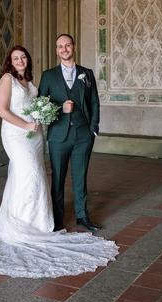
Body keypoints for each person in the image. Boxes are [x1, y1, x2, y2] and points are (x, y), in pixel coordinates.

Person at [0, 45, 118, 278]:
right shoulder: (7, 80)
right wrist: (26, 125)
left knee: (37, 177)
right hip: (17, 135)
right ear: (10, 62)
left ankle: (39, 225)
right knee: (28, 174)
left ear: (27, 60)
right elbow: (1, 110)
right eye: (16, 58)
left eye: (23, 57)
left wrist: (48, 116)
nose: (20, 60)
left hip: (35, 137)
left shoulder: (31, 84)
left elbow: (44, 107)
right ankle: (20, 227)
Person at [38, 34, 101, 232]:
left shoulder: (87, 74)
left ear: (73, 47)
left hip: (83, 135)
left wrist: (93, 129)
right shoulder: (48, 76)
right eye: (60, 46)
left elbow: (94, 102)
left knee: (80, 176)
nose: (64, 49)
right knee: (58, 178)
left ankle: (82, 215)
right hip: (58, 136)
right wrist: (59, 108)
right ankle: (57, 219)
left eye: (67, 45)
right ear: (56, 51)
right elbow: (40, 106)